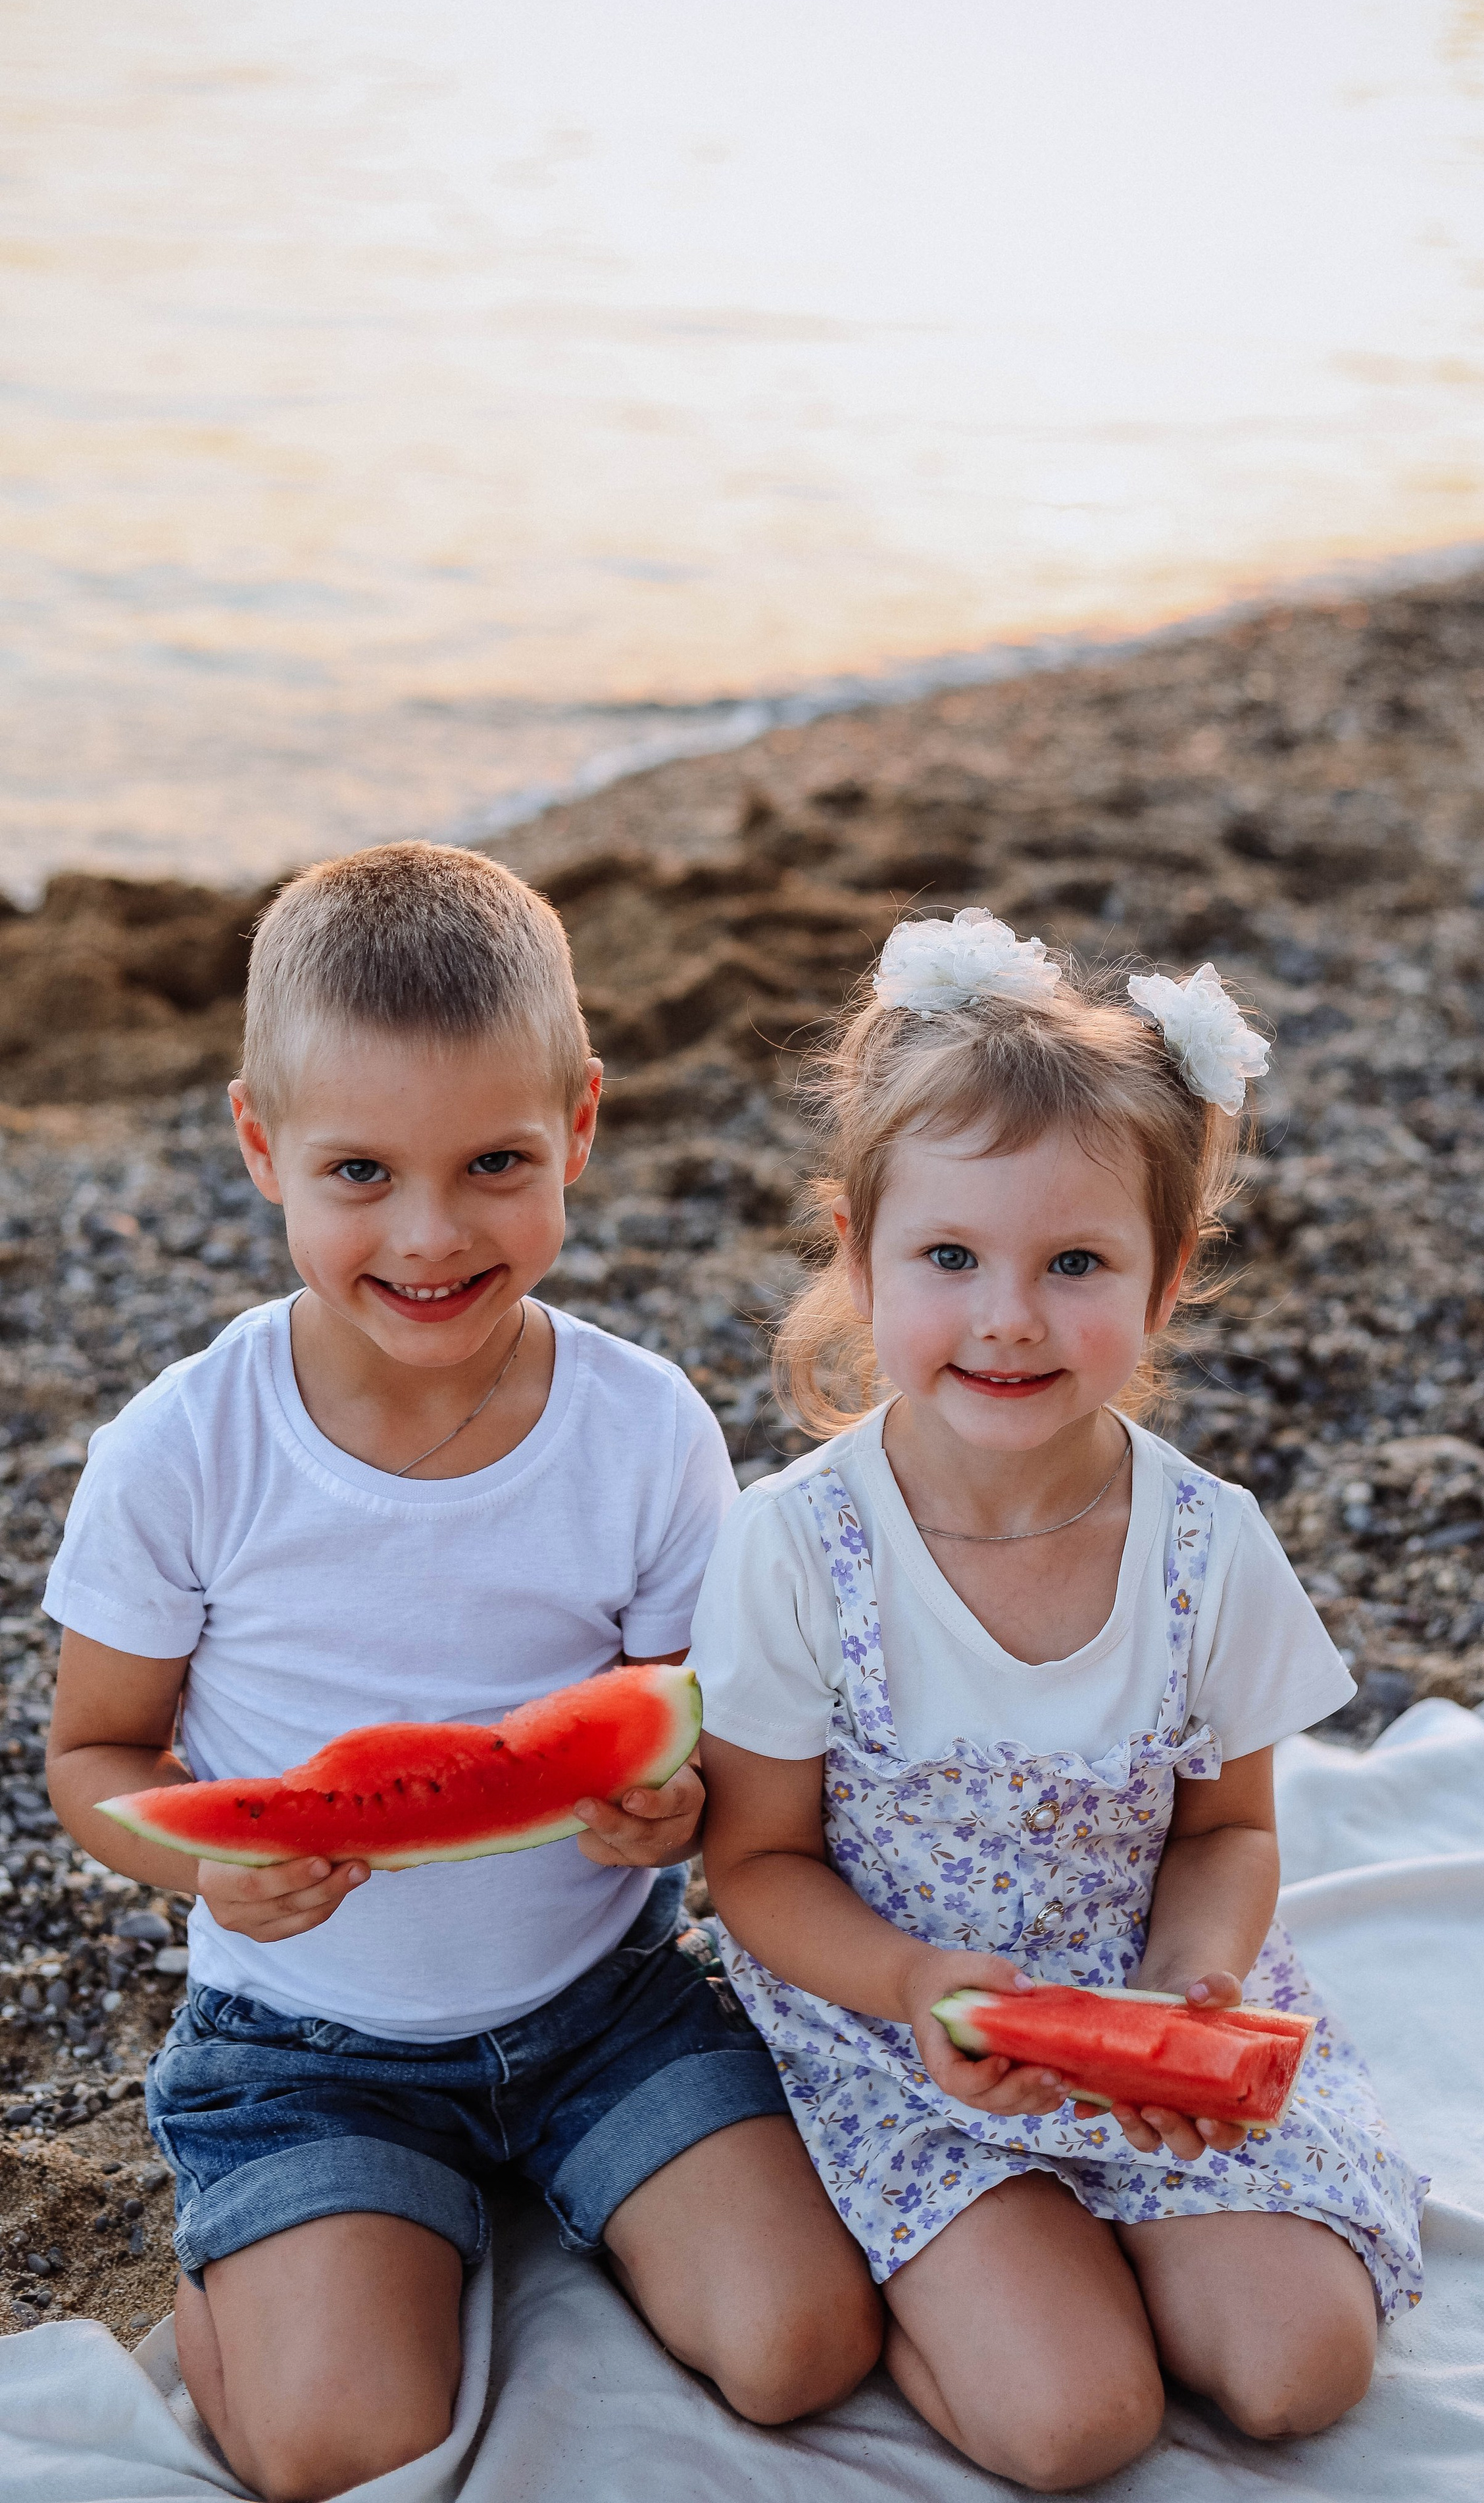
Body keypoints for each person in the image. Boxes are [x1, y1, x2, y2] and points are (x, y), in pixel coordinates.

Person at [43, 842, 880, 2503]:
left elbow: (686, 1722)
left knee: (802, 2348)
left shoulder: (642, 1430)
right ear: (260, 1147)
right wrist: (206, 1861)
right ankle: (262, 2271)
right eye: (358, 1173)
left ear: (580, 1125)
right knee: (338, 2444)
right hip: (303, 2043)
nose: (429, 1236)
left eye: (495, 1164)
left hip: (605, 2005)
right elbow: (96, 1756)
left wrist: (672, 1808)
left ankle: (506, 2205)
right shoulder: (183, 1452)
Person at [691, 910, 1427, 2494]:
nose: (1008, 1316)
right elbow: (750, 1864)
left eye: (1074, 1263)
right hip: (896, 2029)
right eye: (949, 1258)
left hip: (1142, 1998)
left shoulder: (1206, 1544)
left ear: (1167, 1280)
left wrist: (1191, 1983)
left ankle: (1117, 2249)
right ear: (857, 1254)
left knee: (1298, 2371)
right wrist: (911, 1986)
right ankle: (939, 2299)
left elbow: (1226, 1830)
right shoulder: (794, 1546)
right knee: (1073, 2423)